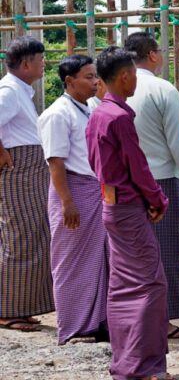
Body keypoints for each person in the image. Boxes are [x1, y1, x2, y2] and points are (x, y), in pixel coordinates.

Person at [86, 46, 170, 379]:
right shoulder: (119, 117)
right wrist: (157, 200)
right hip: (129, 208)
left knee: (122, 286)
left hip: (111, 205)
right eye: (134, 74)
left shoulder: (97, 115)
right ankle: (144, 366)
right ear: (124, 77)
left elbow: (98, 164)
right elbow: (139, 168)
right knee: (151, 285)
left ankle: (125, 361)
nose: (136, 79)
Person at [125, 32, 179, 339]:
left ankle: (135, 316)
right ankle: (163, 319)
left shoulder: (110, 89)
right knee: (166, 253)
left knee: (131, 254)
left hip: (124, 183)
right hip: (162, 181)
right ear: (153, 55)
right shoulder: (162, 89)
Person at [38, 54, 109, 344]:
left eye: (96, 76)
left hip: (93, 191)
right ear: (70, 81)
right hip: (73, 192)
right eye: (89, 77)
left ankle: (96, 322)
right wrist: (68, 202)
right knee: (70, 263)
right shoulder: (58, 114)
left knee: (98, 261)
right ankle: (73, 327)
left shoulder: (88, 107)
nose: (95, 82)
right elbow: (56, 163)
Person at [0, 36, 54, 332]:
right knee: (19, 238)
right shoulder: (9, 90)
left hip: (30, 169)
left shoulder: (20, 90)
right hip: (19, 171)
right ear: (25, 64)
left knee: (32, 236)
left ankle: (19, 306)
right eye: (40, 59)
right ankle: (7, 310)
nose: (44, 63)